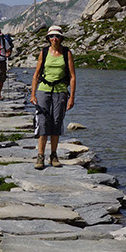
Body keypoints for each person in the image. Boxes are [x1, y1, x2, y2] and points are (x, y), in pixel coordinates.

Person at [29, 25, 76, 170]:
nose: (54, 39)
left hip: (61, 90)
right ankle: (40, 156)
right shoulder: (44, 52)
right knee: (43, 122)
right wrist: (33, 94)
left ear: (61, 38)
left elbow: (73, 77)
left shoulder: (67, 53)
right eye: (51, 36)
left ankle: (54, 155)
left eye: (57, 36)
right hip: (44, 90)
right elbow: (36, 75)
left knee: (56, 122)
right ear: (48, 39)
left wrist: (71, 97)